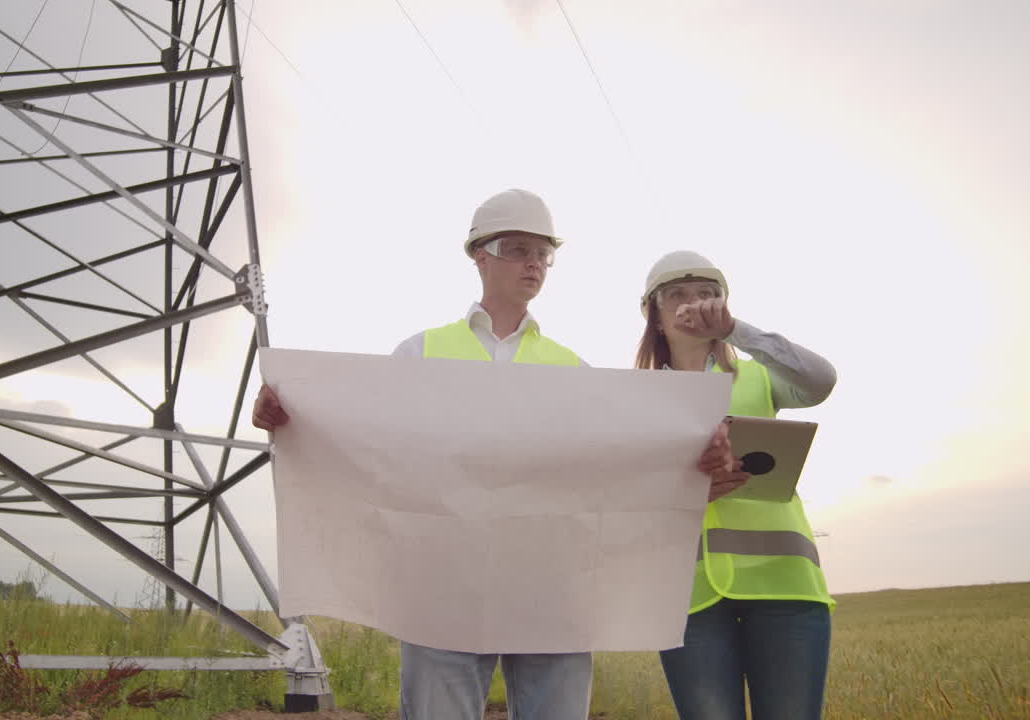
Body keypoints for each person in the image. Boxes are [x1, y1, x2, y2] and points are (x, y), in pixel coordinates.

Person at [254, 191, 744, 720]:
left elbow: (609, 469)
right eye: (517, 248)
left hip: (552, 587)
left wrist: (692, 462)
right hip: (443, 588)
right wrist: (293, 411)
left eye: (543, 253)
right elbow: (370, 445)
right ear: (478, 255)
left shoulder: (572, 369)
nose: (534, 263)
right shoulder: (420, 354)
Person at [636, 250, 837, 720]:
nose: (694, 304)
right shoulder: (635, 398)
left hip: (786, 588)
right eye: (677, 296)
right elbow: (623, 500)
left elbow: (821, 380)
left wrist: (735, 331)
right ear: (655, 317)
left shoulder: (760, 376)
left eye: (709, 295)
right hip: (689, 599)